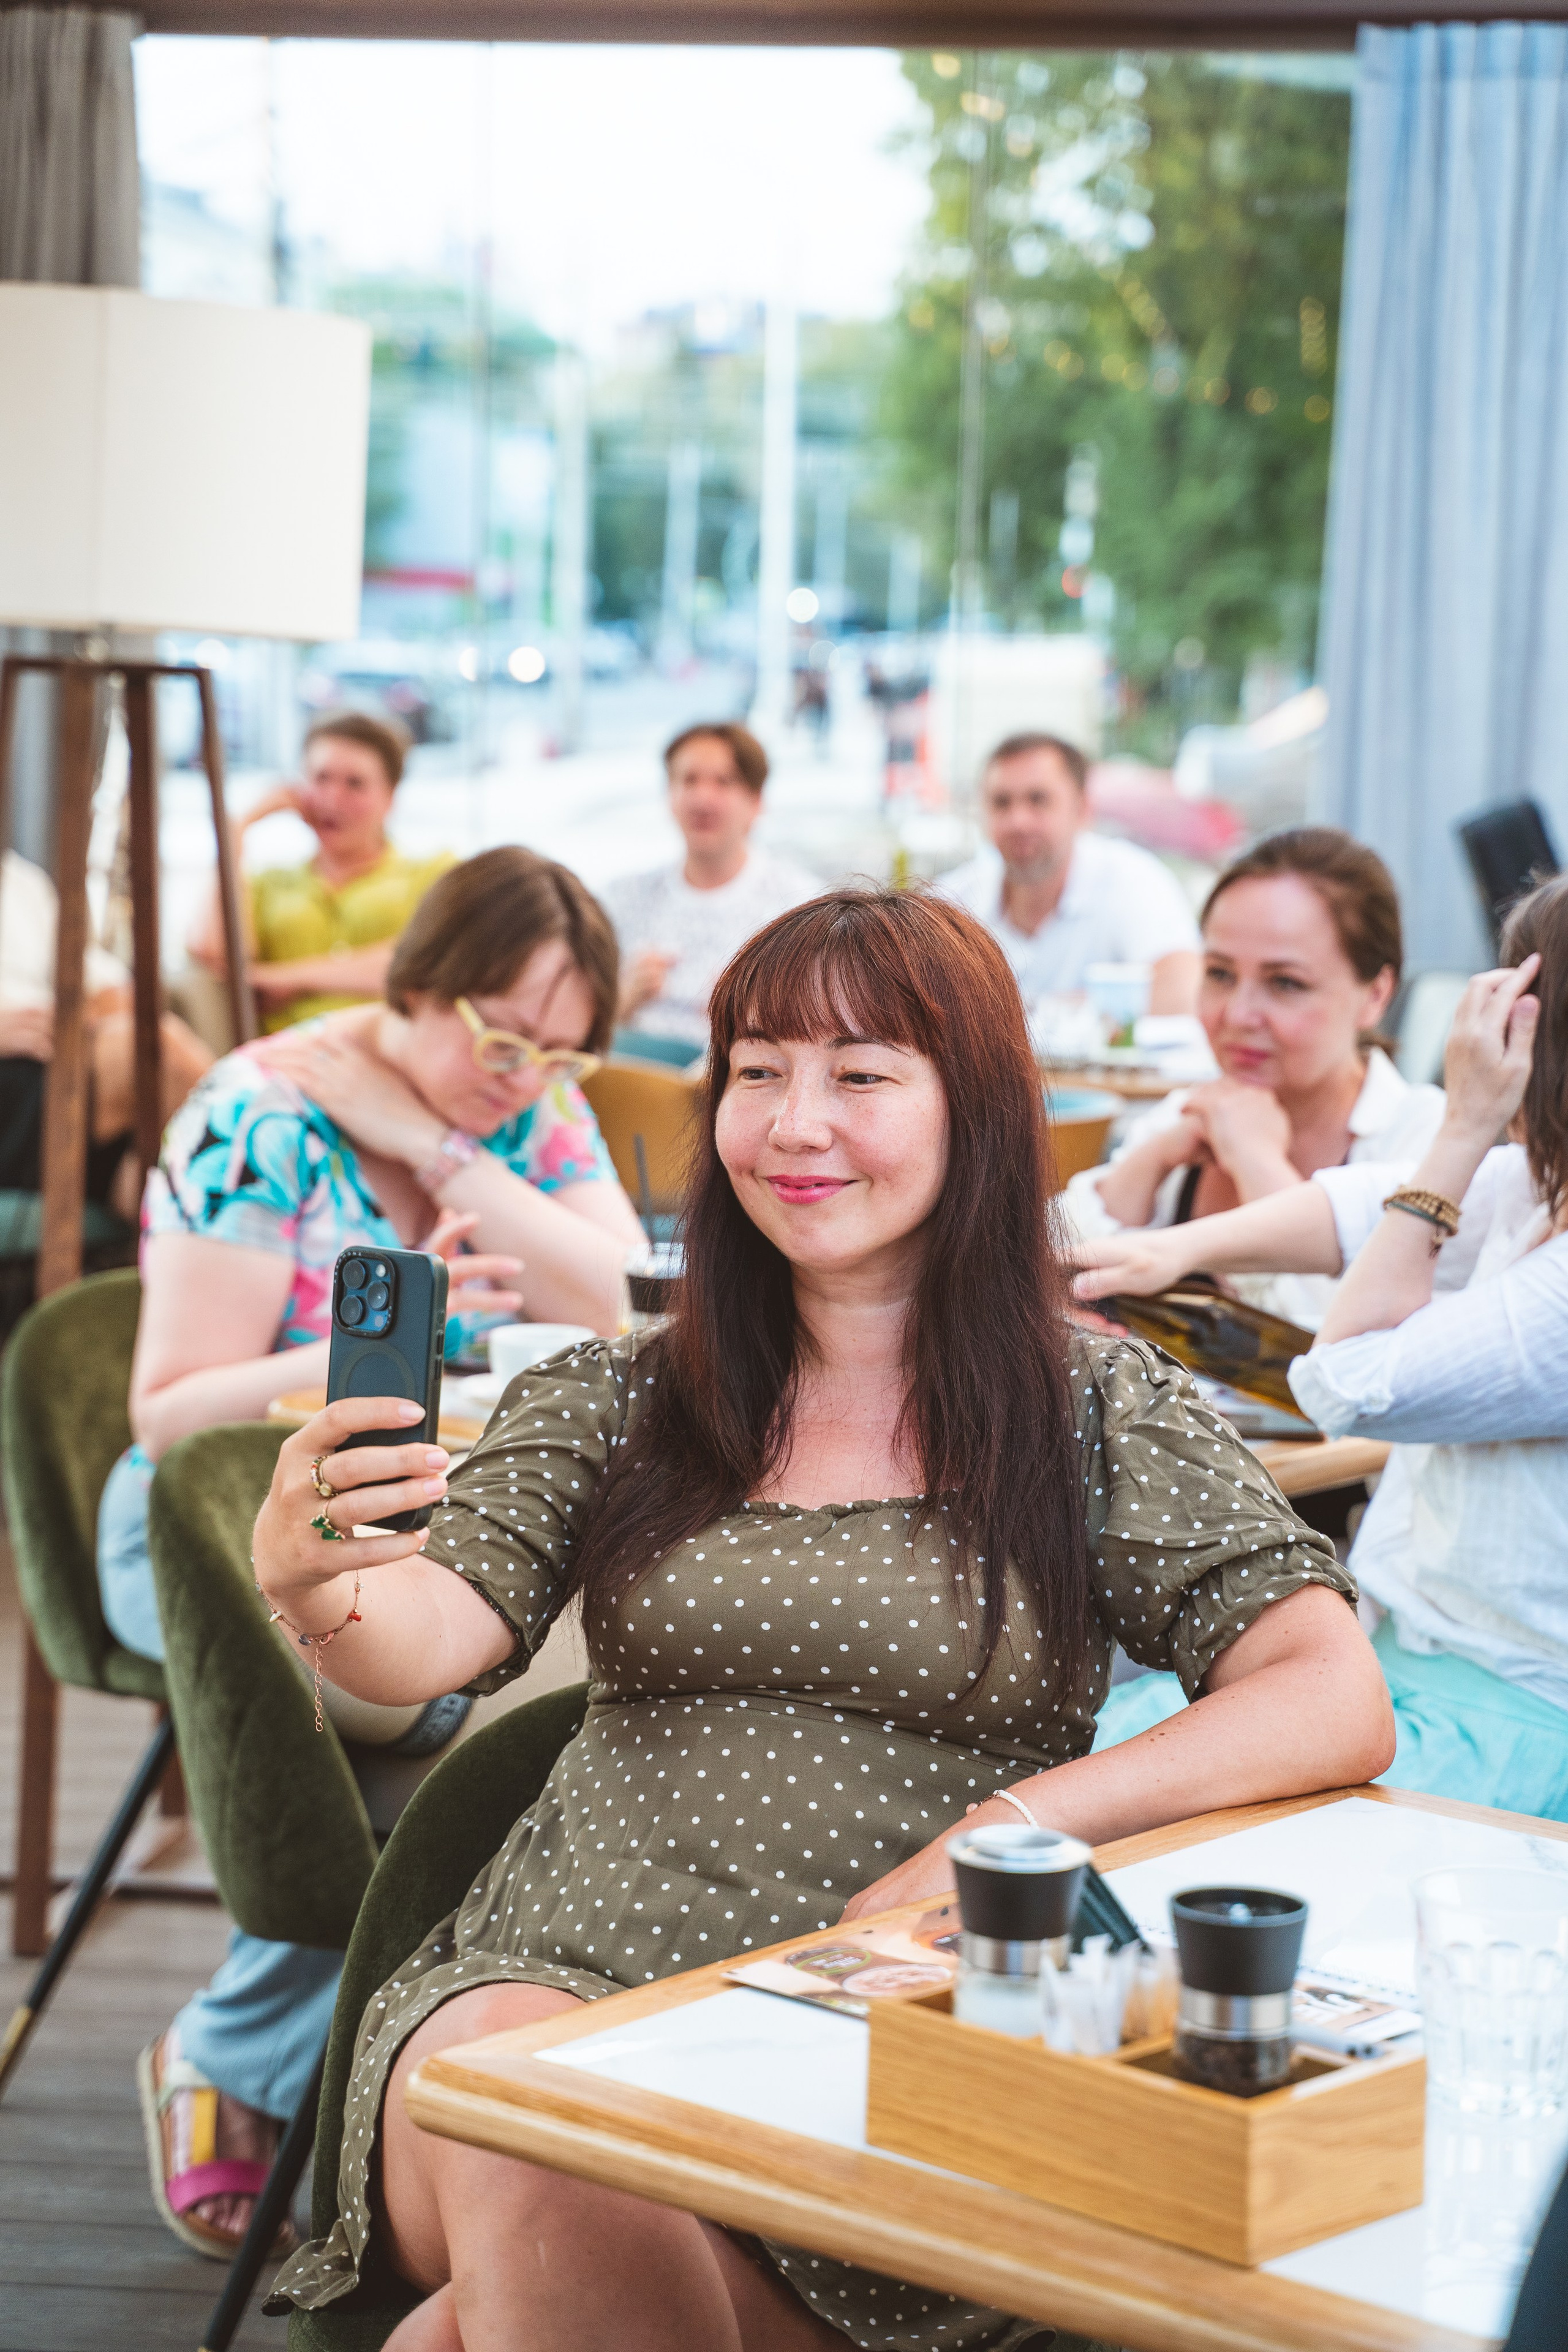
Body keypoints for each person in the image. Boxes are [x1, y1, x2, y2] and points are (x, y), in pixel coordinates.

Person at [254, 886, 1392, 2349]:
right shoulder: (622, 1391)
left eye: (858, 1074)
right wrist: (326, 1581)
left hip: (886, 2059)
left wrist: (1013, 1824)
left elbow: (1327, 1687)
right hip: (545, 1991)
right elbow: (429, 1635)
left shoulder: (1093, 1409)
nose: (793, 1124)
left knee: (486, 2322)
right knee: (540, 2117)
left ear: (972, 1110)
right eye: (756, 1071)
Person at [116, 847, 647, 2263]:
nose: (527, 1074)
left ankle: (291, 2056)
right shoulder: (258, 1113)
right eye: (498, 1039)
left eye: (560, 1049)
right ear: (417, 978)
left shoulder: (526, 1111)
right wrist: (380, 1345)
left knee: (527, 1693)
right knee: (445, 1719)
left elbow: (629, 1298)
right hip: (212, 1509)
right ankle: (255, 2049)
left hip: (434, 1515)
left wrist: (439, 1145)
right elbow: (166, 1415)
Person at [1073, 875, 1568, 1819]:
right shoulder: (1537, 1188)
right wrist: (1169, 1249)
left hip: (1513, 1723)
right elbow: (1352, 1205)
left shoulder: (1468, 1151)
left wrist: (1463, 1125)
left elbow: (1343, 1379)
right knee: (1089, 1739)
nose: (1243, 1013)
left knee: (1107, 1778)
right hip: (1398, 1658)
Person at [1061, 829, 1446, 1329]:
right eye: (1220, 974)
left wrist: (1257, 1160)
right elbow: (1044, 1268)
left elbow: (1357, 1343)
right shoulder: (1186, 1115)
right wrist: (1153, 1160)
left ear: (1375, 994)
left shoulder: (1425, 1140)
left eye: (1286, 983)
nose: (1239, 1014)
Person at [188, 709, 454, 1035]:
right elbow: (210, 950)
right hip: (282, 1066)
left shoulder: (432, 873)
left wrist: (282, 978)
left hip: (385, 1057)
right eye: (320, 779)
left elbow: (421, 966)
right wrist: (239, 830)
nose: (332, 799)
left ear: (390, 797)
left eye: (355, 784)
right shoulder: (269, 882)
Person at [0, 848, 211, 1219]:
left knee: (159, 1183)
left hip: (57, 1065)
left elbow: (112, 989)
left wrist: (77, 1020)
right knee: (151, 1051)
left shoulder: (19, 878)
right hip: (13, 1072)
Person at [936, 731, 1202, 1019]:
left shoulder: (1131, 879)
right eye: (1001, 803)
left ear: (1082, 809)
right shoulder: (951, 901)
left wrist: (1038, 1015)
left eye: (1038, 800)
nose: (1018, 821)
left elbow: (1183, 988)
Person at [601, 721, 820, 1062]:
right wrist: (620, 1001)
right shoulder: (623, 898)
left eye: (723, 782)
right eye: (689, 780)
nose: (703, 798)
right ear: (669, 795)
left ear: (756, 800)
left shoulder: (799, 908)